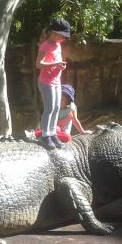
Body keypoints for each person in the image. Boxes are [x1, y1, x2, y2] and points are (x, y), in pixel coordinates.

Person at [35, 18, 71, 149]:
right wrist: (56, 64)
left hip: (56, 81)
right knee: (49, 108)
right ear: (55, 34)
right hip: (46, 82)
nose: (64, 39)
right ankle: (45, 135)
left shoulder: (58, 45)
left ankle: (52, 133)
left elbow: (55, 61)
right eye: (63, 36)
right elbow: (38, 64)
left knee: (56, 108)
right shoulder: (46, 46)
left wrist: (60, 66)